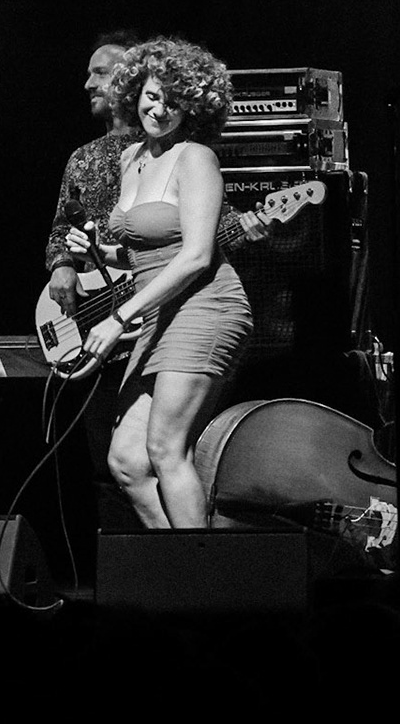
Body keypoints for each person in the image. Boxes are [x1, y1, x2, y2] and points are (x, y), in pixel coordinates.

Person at [70, 38, 252, 529]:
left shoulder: (196, 158)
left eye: (174, 101)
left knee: (166, 450)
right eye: (152, 96)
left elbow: (195, 255)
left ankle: (203, 570)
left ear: (193, 108)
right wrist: (97, 252)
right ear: (135, 93)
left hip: (205, 308)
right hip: (159, 315)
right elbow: (142, 252)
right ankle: (178, 561)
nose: (159, 109)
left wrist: (118, 317)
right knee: (127, 463)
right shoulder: (131, 157)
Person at [43, 31, 143, 533]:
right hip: (94, 325)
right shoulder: (83, 157)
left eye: (100, 72)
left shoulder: (167, 149)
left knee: (149, 455)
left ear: (132, 77)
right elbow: (60, 229)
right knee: (104, 463)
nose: (87, 83)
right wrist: (62, 263)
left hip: (147, 320)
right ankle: (118, 566)